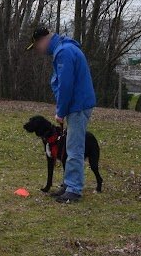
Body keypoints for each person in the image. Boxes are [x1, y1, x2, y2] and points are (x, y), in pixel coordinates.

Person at [27, 27, 96, 203]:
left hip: (77, 106)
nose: (39, 50)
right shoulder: (64, 49)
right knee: (71, 147)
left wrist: (61, 111)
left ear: (43, 40)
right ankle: (68, 183)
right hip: (77, 104)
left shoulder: (64, 52)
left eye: (37, 46)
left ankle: (74, 189)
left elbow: (66, 85)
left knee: (74, 148)